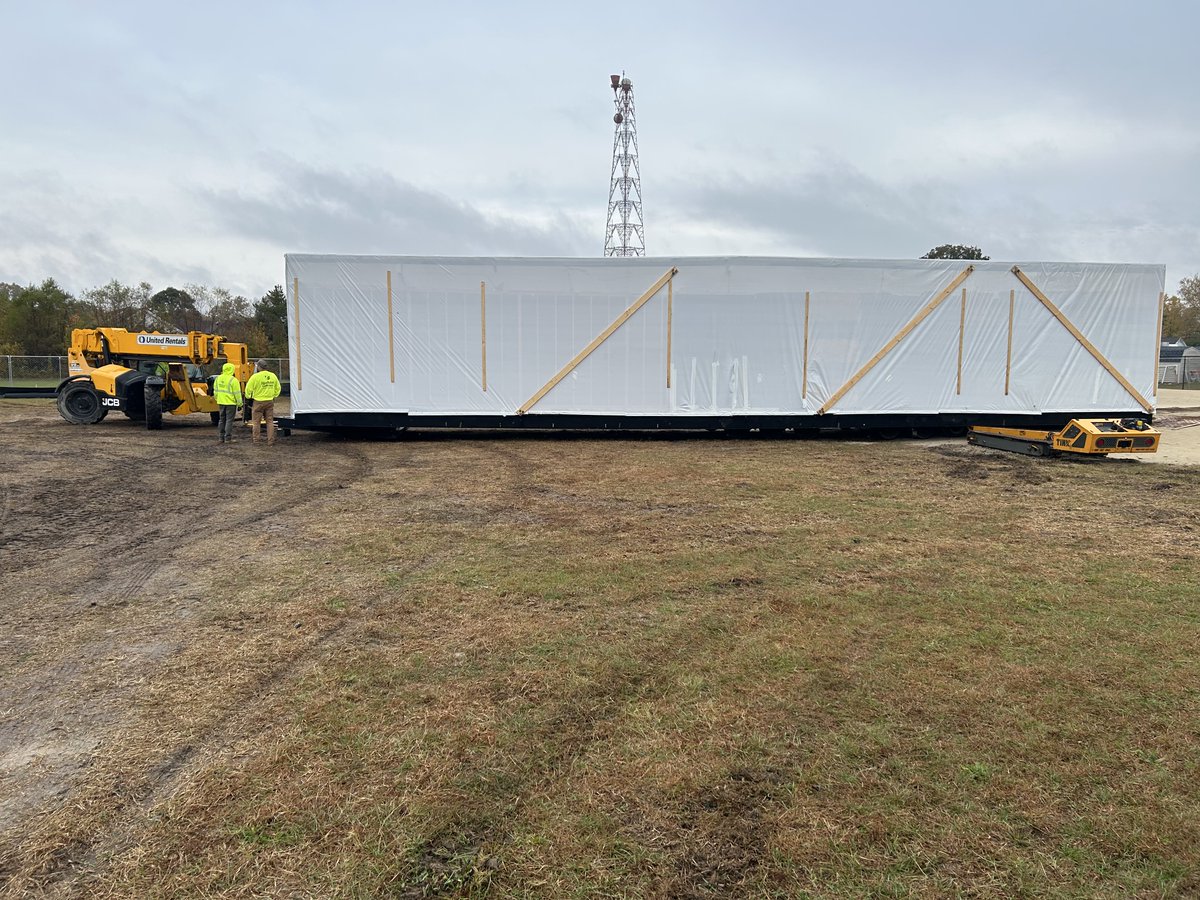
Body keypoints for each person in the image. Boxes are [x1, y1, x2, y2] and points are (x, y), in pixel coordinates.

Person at [244, 359, 282, 445]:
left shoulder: (255, 377)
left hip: (258, 401)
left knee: (256, 422)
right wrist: (274, 396)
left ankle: (256, 440)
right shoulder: (273, 376)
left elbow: (248, 389)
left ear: (259, 367)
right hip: (269, 401)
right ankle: (270, 441)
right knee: (269, 421)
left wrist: (249, 397)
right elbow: (278, 388)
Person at [213, 362, 243, 444]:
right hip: (231, 403)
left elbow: (215, 391)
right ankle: (227, 438)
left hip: (221, 402)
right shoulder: (233, 380)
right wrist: (240, 404)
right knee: (229, 421)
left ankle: (221, 437)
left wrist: (218, 399)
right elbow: (237, 394)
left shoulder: (218, 379)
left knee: (222, 420)